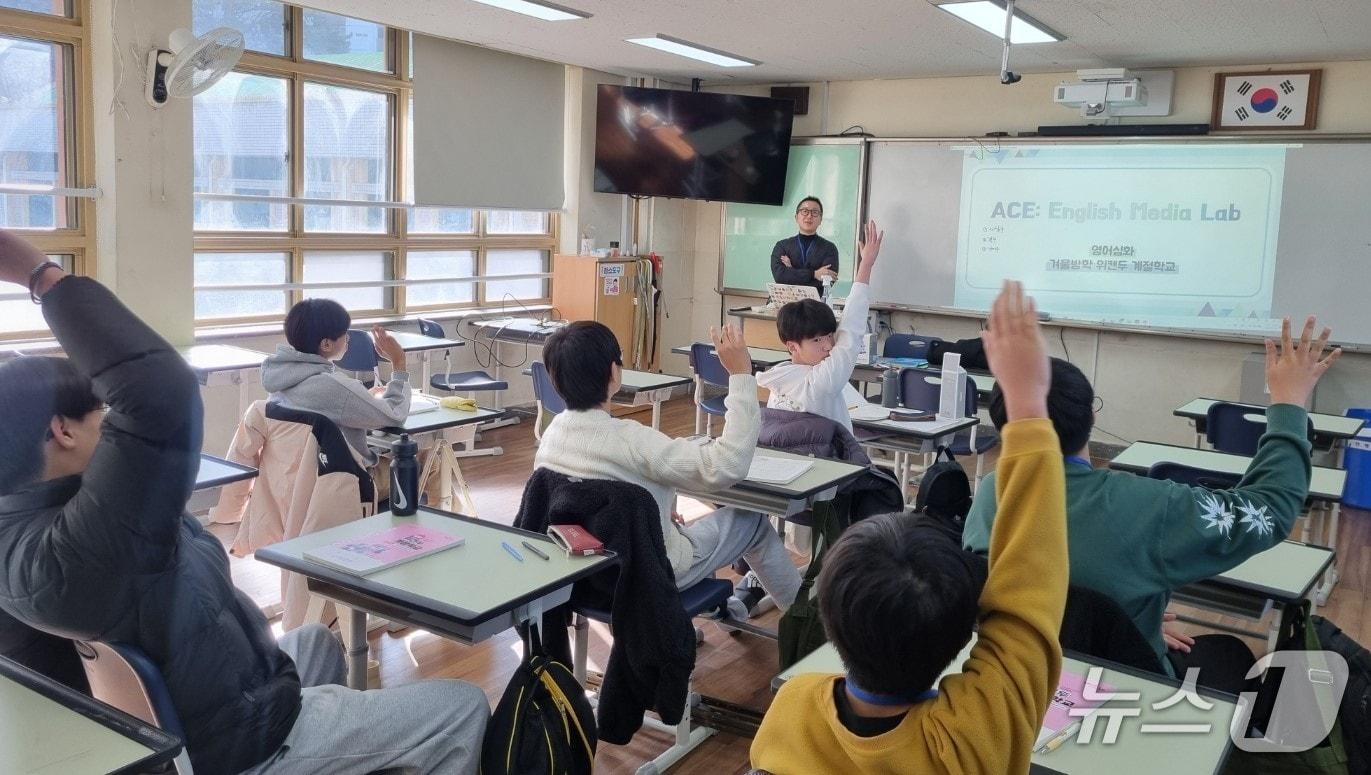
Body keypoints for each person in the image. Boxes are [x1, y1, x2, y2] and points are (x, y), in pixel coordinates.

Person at [0, 229, 488, 775]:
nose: (113, 429)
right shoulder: (84, 545)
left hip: (208, 698)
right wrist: (41, 277)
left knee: (316, 644)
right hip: (241, 740)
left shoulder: (34, 524)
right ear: (61, 431)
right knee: (462, 707)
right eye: (101, 420)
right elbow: (157, 391)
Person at [751, 280, 1068, 774]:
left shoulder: (793, 709)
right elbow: (1030, 597)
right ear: (964, 638)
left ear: (831, 621)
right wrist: (1029, 406)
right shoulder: (974, 734)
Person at [963, 320, 1340, 690]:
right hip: (1123, 684)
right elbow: (1269, 510)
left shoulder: (990, 493)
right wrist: (1289, 404)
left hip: (1016, 684)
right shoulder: (1149, 507)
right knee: (1231, 653)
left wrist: (1123, 616)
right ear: (1091, 417)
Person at [535, 320, 800, 618]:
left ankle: (722, 611)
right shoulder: (632, 440)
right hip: (648, 572)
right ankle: (810, 624)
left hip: (585, 572)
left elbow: (592, 491)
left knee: (684, 528)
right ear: (614, 372)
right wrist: (740, 375)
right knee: (750, 521)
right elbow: (727, 465)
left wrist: (652, 510)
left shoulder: (550, 436)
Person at [757, 219, 882, 433]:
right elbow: (851, 326)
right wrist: (866, 265)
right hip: (835, 461)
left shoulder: (778, 377)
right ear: (792, 346)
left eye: (829, 336)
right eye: (816, 340)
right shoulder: (822, 380)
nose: (828, 346)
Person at [261, 298, 411, 467]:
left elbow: (325, 405)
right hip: (348, 480)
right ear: (326, 344)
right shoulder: (335, 389)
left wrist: (362, 397)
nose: (348, 338)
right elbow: (395, 415)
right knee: (431, 460)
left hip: (297, 480)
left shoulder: (280, 379)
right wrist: (399, 362)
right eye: (344, 333)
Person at [770, 196, 840, 293]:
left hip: (814, 304)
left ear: (820, 220)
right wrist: (814, 274)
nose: (809, 216)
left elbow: (827, 282)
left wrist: (792, 271)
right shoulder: (782, 246)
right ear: (796, 217)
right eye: (805, 211)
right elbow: (780, 276)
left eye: (815, 212)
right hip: (785, 303)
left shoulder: (829, 248)